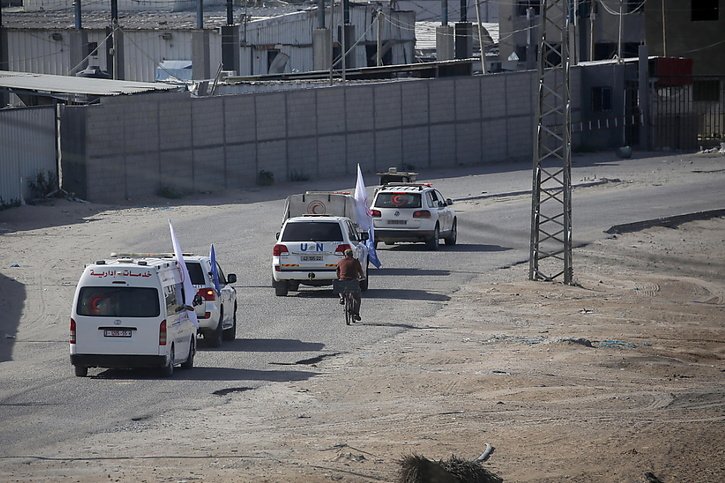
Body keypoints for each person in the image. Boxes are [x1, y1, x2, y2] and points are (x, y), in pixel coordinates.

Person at [336, 248, 365, 321]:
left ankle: (342, 297)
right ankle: (356, 314)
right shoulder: (355, 261)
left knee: (340, 285)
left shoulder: (340, 261)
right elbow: (360, 271)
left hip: (343, 281)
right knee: (357, 298)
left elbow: (337, 271)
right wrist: (362, 276)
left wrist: (339, 277)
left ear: (345, 255)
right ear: (352, 254)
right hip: (353, 281)